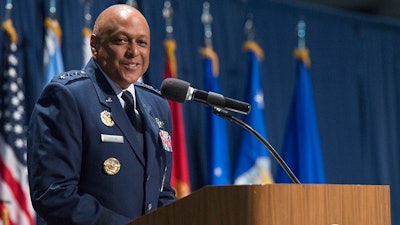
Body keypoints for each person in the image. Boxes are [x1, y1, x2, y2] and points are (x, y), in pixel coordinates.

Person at [27, 4, 176, 225]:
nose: (134, 52)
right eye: (121, 40)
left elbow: (162, 191)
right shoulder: (68, 97)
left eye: (141, 42)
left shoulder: (157, 105)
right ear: (95, 45)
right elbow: (54, 194)